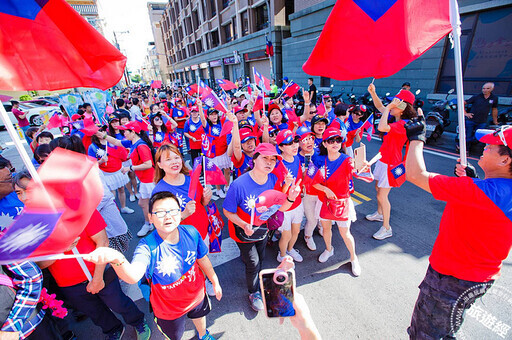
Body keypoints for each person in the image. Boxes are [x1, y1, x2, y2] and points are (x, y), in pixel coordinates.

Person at [403, 118, 512, 338]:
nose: (484, 147)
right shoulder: (494, 190)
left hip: (451, 276)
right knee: (445, 329)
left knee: (426, 334)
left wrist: (416, 139)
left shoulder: (480, 191)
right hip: (476, 277)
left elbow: (415, 174)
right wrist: (476, 182)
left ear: (505, 160)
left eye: (490, 147)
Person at [85, 191, 221, 340]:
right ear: (150, 218)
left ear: (180, 212)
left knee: (200, 317)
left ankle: (203, 334)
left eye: (173, 210)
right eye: (160, 212)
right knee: (175, 336)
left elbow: (202, 258)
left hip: (197, 296)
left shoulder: (191, 232)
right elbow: (133, 275)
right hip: (168, 310)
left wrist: (214, 280)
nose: (168, 216)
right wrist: (117, 258)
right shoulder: (147, 246)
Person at [223, 143, 301, 311]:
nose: (269, 162)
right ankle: (253, 292)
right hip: (242, 231)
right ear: (254, 159)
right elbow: (227, 211)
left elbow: (280, 206)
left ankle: (256, 272)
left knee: (261, 256)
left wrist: (291, 197)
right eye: (265, 158)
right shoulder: (238, 184)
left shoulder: (273, 179)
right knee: (253, 262)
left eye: (273, 159)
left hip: (263, 229)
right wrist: (244, 224)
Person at [366, 83, 417, 240]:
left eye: (395, 103)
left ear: (402, 106)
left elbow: (381, 127)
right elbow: (380, 107)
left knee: (382, 195)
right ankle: (380, 214)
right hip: (384, 160)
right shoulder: (395, 118)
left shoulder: (402, 125)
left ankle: (386, 228)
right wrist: (373, 93)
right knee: (377, 188)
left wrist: (387, 109)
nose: (390, 105)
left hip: (391, 164)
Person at [312, 128, 361, 276]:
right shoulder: (319, 160)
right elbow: (312, 182)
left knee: (345, 233)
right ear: (325, 144)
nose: (335, 143)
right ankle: (328, 249)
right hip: (324, 202)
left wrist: (362, 165)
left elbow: (357, 170)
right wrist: (326, 190)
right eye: (331, 141)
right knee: (326, 229)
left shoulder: (347, 160)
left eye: (338, 140)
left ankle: (353, 258)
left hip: (342, 203)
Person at [104, 121, 155, 236]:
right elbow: (117, 142)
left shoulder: (141, 146)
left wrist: (130, 168)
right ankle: (151, 222)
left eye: (126, 131)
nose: (124, 133)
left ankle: (150, 224)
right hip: (145, 180)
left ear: (133, 132)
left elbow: (148, 164)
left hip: (149, 180)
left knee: (146, 203)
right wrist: (103, 135)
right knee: (144, 203)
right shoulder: (133, 142)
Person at [152, 144, 212, 241]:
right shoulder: (159, 191)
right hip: (182, 240)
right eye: (168, 159)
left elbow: (201, 204)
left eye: (176, 157)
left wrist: (206, 198)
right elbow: (161, 225)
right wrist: (184, 214)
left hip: (203, 232)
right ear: (160, 165)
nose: (174, 162)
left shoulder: (192, 177)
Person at [275, 130, 304, 263]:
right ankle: (282, 255)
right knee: (286, 235)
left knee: (296, 231)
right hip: (285, 206)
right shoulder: (277, 165)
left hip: (298, 203)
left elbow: (299, 178)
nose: (294, 146)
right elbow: (277, 193)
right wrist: (286, 185)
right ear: (280, 147)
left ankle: (290, 249)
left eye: (295, 142)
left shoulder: (297, 157)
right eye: (289, 143)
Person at [464, 82, 499, 148]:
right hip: (471, 119)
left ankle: (469, 144)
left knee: (478, 137)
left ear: (492, 89)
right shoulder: (476, 97)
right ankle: (466, 150)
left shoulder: (494, 98)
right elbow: (463, 102)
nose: (485, 90)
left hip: (482, 121)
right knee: (467, 135)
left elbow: (494, 109)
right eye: (483, 88)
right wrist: (465, 113)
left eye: (487, 88)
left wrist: (495, 120)